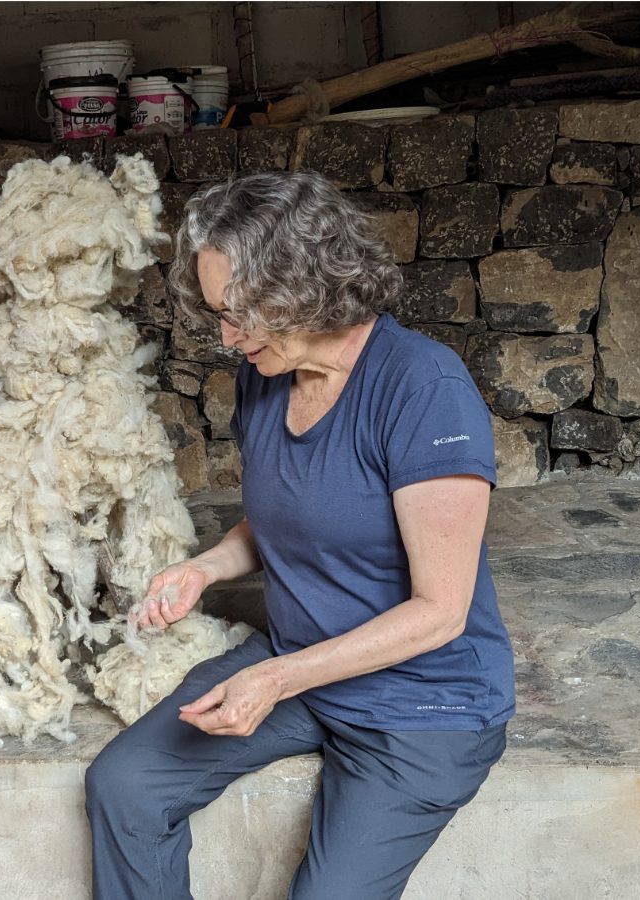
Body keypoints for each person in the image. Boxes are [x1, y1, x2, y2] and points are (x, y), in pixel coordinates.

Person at [84, 171, 515, 900]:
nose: (228, 337)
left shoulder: (423, 389)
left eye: (240, 313)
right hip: (301, 665)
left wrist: (277, 678)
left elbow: (441, 611)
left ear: (305, 286)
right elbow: (293, 513)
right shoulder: (265, 373)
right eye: (219, 314)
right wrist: (206, 568)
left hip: (422, 703)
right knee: (125, 786)